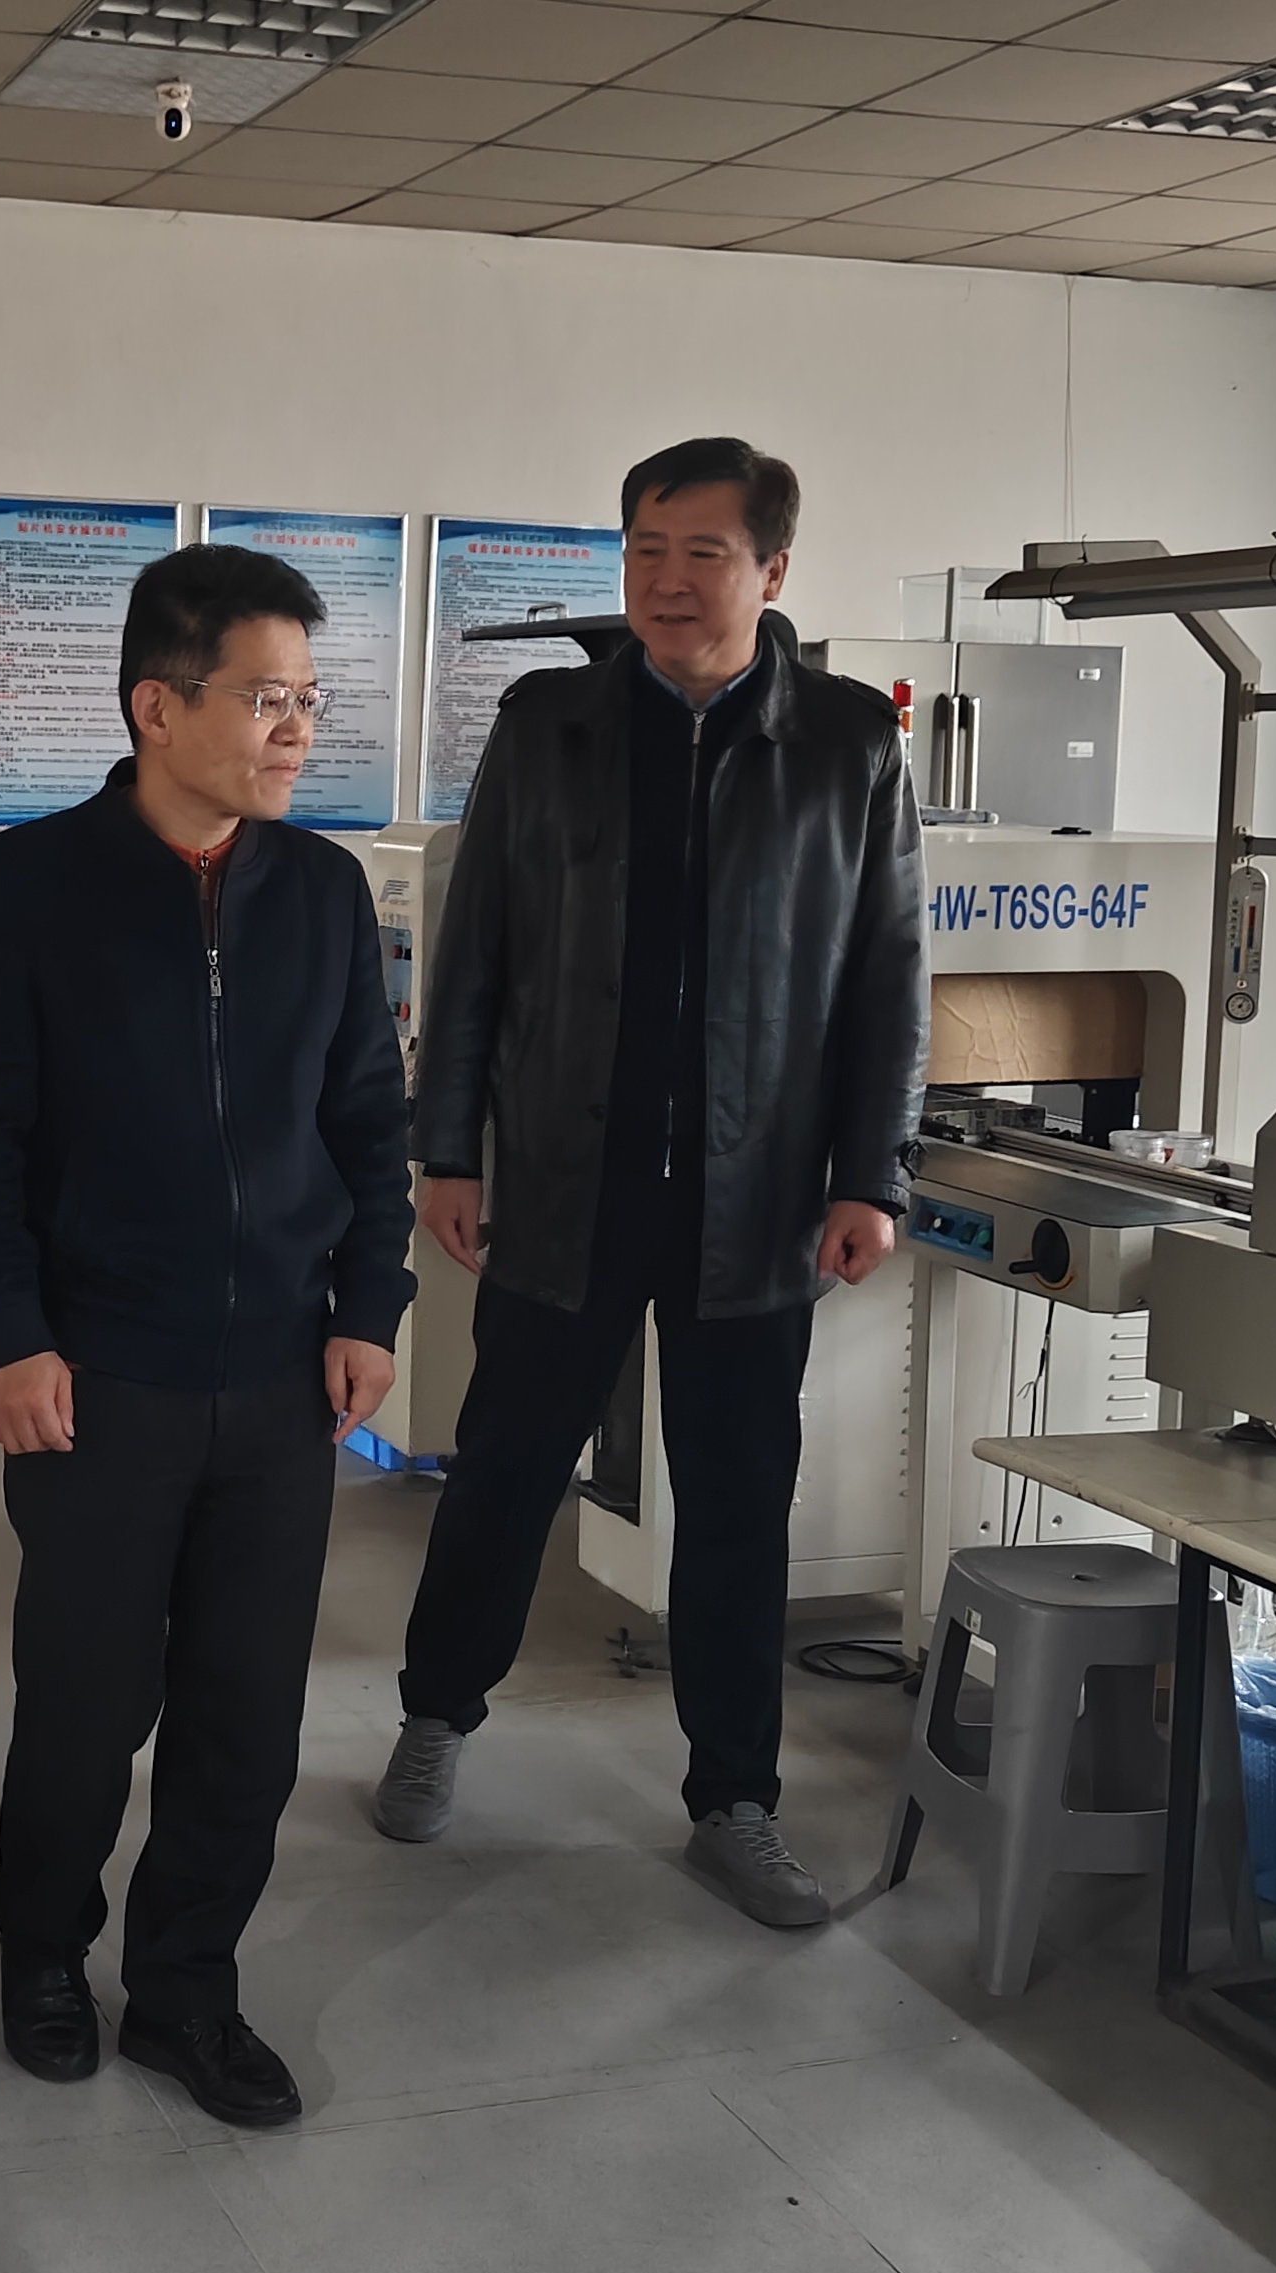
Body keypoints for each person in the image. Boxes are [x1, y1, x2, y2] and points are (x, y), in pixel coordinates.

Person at [374, 437, 929, 1929]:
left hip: (758, 1198)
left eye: (703, 553)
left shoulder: (847, 744)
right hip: (569, 1178)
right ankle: (437, 1715)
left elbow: (889, 977)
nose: (667, 582)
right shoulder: (550, 725)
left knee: (739, 1501)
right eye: (644, 550)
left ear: (773, 570)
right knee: (505, 1467)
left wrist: (870, 1176)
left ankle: (734, 1801)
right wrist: (447, 1147)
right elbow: (475, 949)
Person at [0, 543, 415, 2127]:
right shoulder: (25, 889)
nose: (298, 730)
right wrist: (9, 1334)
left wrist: (371, 1303)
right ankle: (43, 1951)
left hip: (280, 1379)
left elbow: (370, 1122)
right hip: (98, 1377)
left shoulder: (322, 893)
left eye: (308, 699)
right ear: (157, 707)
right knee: (83, 1711)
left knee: (244, 1719)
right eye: (266, 699)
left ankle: (188, 1988)